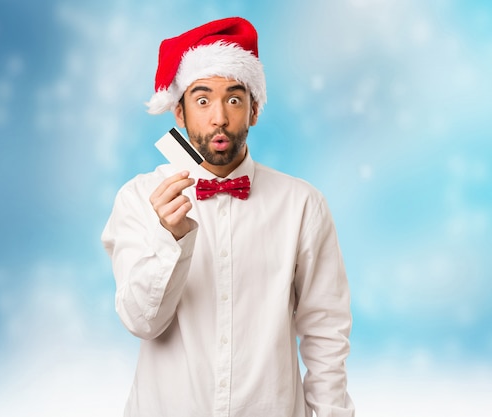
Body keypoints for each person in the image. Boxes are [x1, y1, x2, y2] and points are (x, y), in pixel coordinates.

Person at [101, 17, 354, 417]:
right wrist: (171, 240)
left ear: (254, 110)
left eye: (234, 99)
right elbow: (140, 321)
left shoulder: (303, 204)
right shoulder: (138, 198)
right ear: (179, 114)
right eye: (202, 100)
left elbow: (326, 332)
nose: (219, 117)